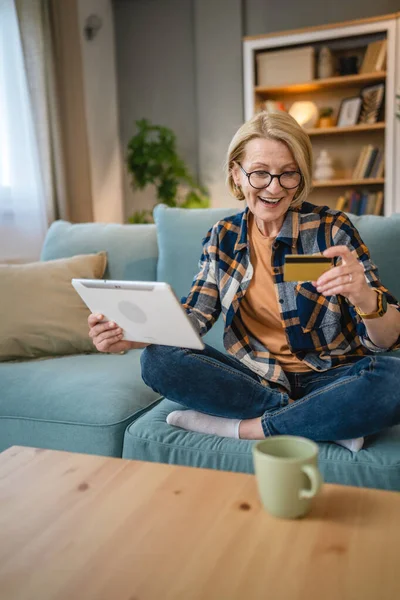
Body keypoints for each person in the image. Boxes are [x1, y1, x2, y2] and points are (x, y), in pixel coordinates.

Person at [88, 111, 400, 451]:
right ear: (236, 174)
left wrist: (365, 298)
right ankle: (320, 421)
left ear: (301, 176)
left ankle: (247, 428)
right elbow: (192, 318)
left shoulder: (331, 230)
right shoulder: (222, 238)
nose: (274, 187)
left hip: (330, 378)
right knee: (157, 359)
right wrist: (129, 337)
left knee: (394, 380)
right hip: (255, 380)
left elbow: (385, 341)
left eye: (288, 174)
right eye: (260, 173)